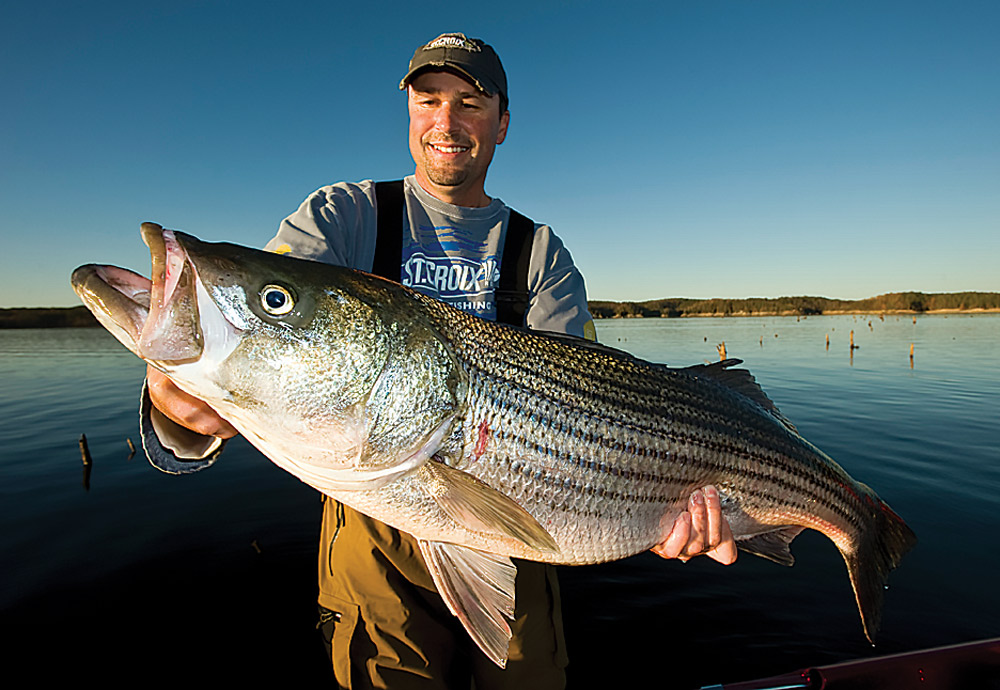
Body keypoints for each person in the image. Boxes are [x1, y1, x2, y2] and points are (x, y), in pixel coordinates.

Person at [146, 32, 736, 689]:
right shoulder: (345, 216)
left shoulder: (540, 253)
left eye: (470, 103)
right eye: (428, 101)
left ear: (502, 123)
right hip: (372, 523)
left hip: (525, 512)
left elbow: (598, 410)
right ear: (409, 113)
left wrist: (661, 509)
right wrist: (179, 414)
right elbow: (265, 340)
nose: (446, 122)